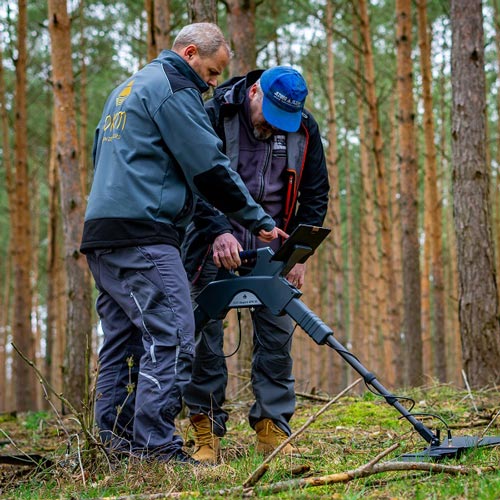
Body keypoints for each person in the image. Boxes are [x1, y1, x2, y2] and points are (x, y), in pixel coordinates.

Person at [80, 23, 285, 464]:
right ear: (190, 53)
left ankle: (117, 446)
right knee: (174, 333)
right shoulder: (174, 88)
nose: (213, 84)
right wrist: (259, 221)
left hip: (102, 234)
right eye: (212, 72)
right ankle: (158, 447)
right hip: (143, 233)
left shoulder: (126, 89)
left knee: (124, 339)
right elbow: (208, 166)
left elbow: (103, 157)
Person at [181, 66, 329, 463]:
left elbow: (316, 193)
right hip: (212, 243)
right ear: (254, 93)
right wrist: (217, 231)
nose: (276, 126)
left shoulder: (304, 128)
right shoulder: (214, 113)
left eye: (286, 120)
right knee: (203, 336)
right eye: (271, 116)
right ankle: (206, 429)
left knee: (277, 336)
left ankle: (271, 427)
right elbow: (196, 178)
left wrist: (298, 254)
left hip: (272, 248)